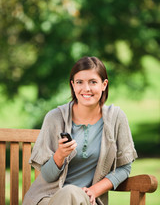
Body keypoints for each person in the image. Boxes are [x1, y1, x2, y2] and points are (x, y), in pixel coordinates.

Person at [23, 56, 137, 205]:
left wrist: (95, 190)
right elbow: (47, 176)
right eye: (79, 82)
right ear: (73, 85)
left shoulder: (116, 118)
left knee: (72, 193)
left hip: (87, 200)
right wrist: (60, 155)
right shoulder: (55, 118)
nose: (86, 88)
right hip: (49, 199)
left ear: (104, 85)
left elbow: (124, 167)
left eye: (93, 82)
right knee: (69, 192)